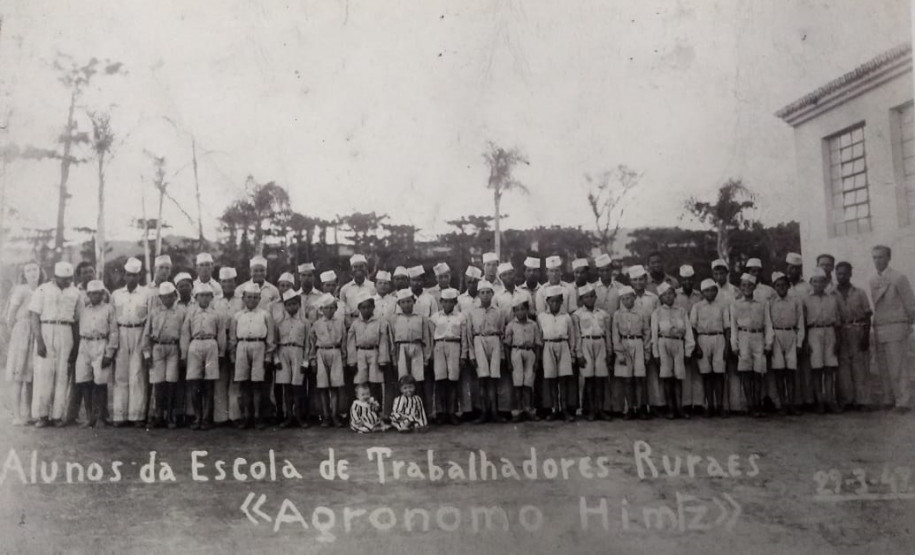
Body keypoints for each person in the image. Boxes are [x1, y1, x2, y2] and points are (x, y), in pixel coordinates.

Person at [30, 261, 83, 427]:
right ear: (55, 277)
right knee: (44, 374)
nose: (66, 282)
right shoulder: (43, 290)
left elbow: (77, 321)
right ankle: (42, 415)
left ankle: (57, 416)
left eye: (69, 278)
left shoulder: (76, 293)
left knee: (62, 375)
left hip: (66, 331)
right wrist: (39, 341)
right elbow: (34, 317)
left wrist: (75, 345)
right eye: (63, 279)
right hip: (46, 329)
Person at [869, 245, 915, 413]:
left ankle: (903, 401)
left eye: (880, 257)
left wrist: (907, 326)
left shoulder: (898, 278)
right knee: (884, 367)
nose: (877, 261)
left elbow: (910, 305)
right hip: (880, 327)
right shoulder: (873, 280)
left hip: (896, 326)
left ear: (888, 258)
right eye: (874, 257)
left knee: (898, 366)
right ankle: (888, 398)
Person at [67, 280, 117, 428]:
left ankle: (102, 416)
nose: (96, 296)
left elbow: (114, 332)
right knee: (84, 381)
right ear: (88, 295)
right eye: (92, 293)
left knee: (100, 382)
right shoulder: (83, 310)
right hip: (84, 345)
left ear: (103, 294)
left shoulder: (109, 309)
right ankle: (90, 417)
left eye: (99, 293)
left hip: (101, 344)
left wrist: (109, 353)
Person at [229, 283, 276, 429]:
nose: (252, 300)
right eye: (249, 297)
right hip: (242, 347)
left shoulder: (265, 315)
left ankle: (257, 416)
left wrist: (268, 356)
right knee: (244, 385)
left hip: (259, 347)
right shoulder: (237, 316)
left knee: (257, 384)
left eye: (255, 297)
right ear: (243, 298)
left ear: (259, 298)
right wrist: (232, 355)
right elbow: (232, 338)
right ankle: (246, 416)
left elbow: (270, 338)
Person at [110, 257, 149, 428]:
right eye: (128, 275)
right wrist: (113, 343)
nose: (131, 278)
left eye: (135, 275)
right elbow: (112, 321)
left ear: (139, 276)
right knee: (121, 375)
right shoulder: (116, 295)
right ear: (124, 276)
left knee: (137, 374)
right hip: (121, 332)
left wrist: (146, 344)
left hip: (139, 333)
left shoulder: (147, 294)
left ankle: (137, 415)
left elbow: (149, 321)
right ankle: (120, 415)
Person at [143, 282, 187, 428]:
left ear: (175, 296)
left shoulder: (181, 311)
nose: (168, 300)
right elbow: (147, 334)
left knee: (171, 382)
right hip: (158, 348)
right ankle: (158, 414)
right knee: (158, 382)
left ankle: (170, 415)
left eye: (170, 297)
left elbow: (184, 334)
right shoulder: (154, 312)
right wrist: (147, 354)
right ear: (160, 298)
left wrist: (183, 355)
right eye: (164, 297)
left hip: (173, 348)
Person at [182, 283, 225, 430]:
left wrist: (221, 353)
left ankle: (207, 418)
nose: (205, 298)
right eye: (202, 295)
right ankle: (197, 417)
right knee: (195, 384)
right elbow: (185, 333)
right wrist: (184, 353)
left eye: (208, 295)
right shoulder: (191, 313)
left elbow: (221, 334)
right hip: (195, 345)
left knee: (209, 384)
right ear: (196, 297)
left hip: (211, 345)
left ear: (212, 297)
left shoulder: (217, 314)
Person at [730, 274, 772, 417]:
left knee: (758, 372)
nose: (746, 288)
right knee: (746, 372)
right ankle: (750, 404)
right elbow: (734, 326)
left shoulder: (762, 303)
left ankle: (758, 402)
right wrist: (734, 345)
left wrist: (768, 343)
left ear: (754, 287)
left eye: (749, 285)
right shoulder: (736, 304)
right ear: (740, 287)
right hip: (743, 337)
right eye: (743, 285)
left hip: (758, 337)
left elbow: (768, 323)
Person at [5, 261, 42, 425]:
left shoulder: (42, 289)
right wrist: (15, 332)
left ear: (40, 271)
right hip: (22, 332)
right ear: (24, 274)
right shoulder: (21, 290)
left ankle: (30, 413)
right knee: (19, 375)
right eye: (28, 270)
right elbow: (10, 315)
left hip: (37, 332)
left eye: (35, 269)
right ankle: (17, 415)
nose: (32, 273)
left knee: (32, 375)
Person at [651, 283, 695, 419]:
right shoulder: (657, 313)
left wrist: (688, 351)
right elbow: (654, 335)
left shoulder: (681, 311)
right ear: (660, 297)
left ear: (675, 295)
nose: (668, 296)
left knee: (678, 377)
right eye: (665, 294)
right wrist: (656, 353)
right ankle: (670, 408)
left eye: (670, 293)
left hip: (678, 344)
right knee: (667, 377)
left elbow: (688, 332)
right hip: (663, 343)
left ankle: (679, 408)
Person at [833, 262, 872, 411]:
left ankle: (862, 401)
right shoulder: (831, 293)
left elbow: (868, 315)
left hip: (858, 329)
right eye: (839, 273)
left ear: (850, 274)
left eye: (844, 273)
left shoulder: (859, 292)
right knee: (843, 367)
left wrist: (866, 336)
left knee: (860, 366)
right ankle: (847, 400)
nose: (841, 276)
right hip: (841, 330)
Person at [467, 280, 508, 424]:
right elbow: (469, 335)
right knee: (482, 379)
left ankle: (494, 412)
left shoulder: (498, 311)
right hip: (479, 342)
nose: (485, 296)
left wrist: (502, 353)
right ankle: (484, 412)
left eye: (488, 292)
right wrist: (471, 354)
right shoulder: (472, 312)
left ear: (492, 294)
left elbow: (502, 333)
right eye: (482, 293)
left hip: (495, 342)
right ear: (478, 295)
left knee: (493, 380)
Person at [804, 268, 842, 414]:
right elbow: (804, 323)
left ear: (826, 283)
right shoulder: (806, 299)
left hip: (830, 331)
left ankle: (830, 400)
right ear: (811, 283)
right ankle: (820, 401)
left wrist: (838, 340)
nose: (818, 284)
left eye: (821, 281)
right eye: (815, 281)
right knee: (817, 369)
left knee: (830, 368)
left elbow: (837, 321)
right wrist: (806, 341)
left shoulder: (832, 298)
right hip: (814, 332)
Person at [766, 272, 805, 416]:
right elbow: (768, 323)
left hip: (791, 335)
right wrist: (769, 343)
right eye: (778, 285)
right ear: (774, 287)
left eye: (784, 285)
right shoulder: (770, 303)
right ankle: (782, 403)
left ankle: (792, 403)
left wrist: (799, 343)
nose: (781, 288)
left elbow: (800, 323)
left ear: (789, 286)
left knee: (791, 371)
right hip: (776, 336)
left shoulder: (795, 301)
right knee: (779, 371)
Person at [346, 292, 391, 414]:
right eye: (363, 307)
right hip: (360, 353)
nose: (366, 310)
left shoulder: (380, 322)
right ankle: (360, 412)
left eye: (369, 307)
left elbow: (383, 341)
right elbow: (350, 343)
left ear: (373, 307)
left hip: (375, 353)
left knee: (375, 383)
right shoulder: (355, 324)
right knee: (361, 382)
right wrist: (352, 361)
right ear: (359, 308)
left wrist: (383, 359)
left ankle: (376, 411)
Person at [690, 279, 729, 417]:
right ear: (702, 292)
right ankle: (710, 405)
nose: (710, 293)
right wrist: (697, 346)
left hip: (719, 338)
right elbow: (693, 328)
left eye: (713, 290)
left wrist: (726, 347)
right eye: (707, 290)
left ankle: (720, 405)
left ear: (717, 291)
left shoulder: (722, 306)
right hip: (703, 339)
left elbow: (726, 327)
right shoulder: (697, 307)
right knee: (706, 375)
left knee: (719, 373)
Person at [539, 285, 578, 422]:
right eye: (552, 301)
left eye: (557, 301)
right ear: (547, 302)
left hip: (563, 346)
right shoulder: (542, 317)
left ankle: (565, 409)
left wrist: (572, 353)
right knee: (552, 380)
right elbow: (539, 337)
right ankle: (555, 408)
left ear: (561, 302)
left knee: (563, 379)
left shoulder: (566, 317)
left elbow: (572, 336)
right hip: (548, 346)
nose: (554, 304)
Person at [389, 288, 433, 409]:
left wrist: (426, 358)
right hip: (401, 348)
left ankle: (419, 410)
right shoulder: (394, 319)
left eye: (409, 301)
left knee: (417, 380)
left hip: (417, 348)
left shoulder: (421, 318)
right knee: (403, 380)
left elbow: (426, 339)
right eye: (403, 302)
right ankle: (403, 410)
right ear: (399, 304)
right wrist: (394, 358)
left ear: (413, 302)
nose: (406, 304)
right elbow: (392, 339)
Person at [573, 283, 612, 421]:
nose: (589, 299)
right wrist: (579, 354)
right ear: (581, 299)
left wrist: (609, 351)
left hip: (600, 343)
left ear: (596, 297)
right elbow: (577, 335)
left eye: (591, 296)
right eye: (586, 297)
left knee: (600, 379)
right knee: (589, 379)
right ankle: (589, 409)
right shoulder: (577, 315)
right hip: (585, 344)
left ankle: (600, 409)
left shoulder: (603, 314)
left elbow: (607, 334)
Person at [429, 288, 468, 424]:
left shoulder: (461, 317)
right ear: (441, 302)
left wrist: (463, 355)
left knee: (453, 380)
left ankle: (452, 412)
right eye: (445, 302)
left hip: (454, 346)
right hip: (439, 346)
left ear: (455, 302)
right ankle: (441, 412)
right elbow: (430, 338)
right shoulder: (434, 318)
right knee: (440, 380)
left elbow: (464, 338)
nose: (448, 305)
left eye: (451, 302)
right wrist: (431, 354)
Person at [308, 293, 347, 427]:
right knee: (323, 387)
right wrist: (313, 360)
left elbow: (344, 342)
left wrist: (343, 358)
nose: (329, 311)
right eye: (326, 308)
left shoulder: (340, 322)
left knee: (335, 387)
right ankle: (325, 415)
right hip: (321, 353)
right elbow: (312, 344)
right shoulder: (317, 324)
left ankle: (335, 415)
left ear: (336, 308)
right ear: (321, 310)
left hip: (335, 353)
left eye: (332, 308)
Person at [274, 289, 310, 428]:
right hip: (283, 352)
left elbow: (308, 343)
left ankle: (299, 417)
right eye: (288, 304)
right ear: (284, 306)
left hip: (298, 353)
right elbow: (275, 342)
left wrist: (305, 361)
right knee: (286, 387)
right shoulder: (279, 322)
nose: (291, 307)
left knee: (298, 387)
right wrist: (276, 359)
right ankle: (288, 416)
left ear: (299, 305)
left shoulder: (304, 322)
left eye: (294, 304)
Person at [613, 286, 650, 419]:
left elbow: (647, 333)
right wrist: (619, 353)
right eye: (623, 299)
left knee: (639, 379)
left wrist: (646, 353)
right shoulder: (617, 314)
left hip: (638, 344)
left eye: (629, 298)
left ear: (634, 297)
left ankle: (639, 407)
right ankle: (629, 408)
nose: (626, 301)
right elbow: (615, 335)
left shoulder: (642, 313)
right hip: (624, 345)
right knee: (627, 380)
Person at [629, 264, 663, 412]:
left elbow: (658, 320)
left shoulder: (653, 298)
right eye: (634, 280)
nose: (638, 283)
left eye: (641, 279)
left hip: (651, 338)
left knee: (653, 374)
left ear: (645, 280)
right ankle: (635, 406)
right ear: (631, 282)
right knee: (635, 376)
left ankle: (654, 405)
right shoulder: (627, 298)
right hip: (633, 340)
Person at [213, 267, 244, 425]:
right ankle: (220, 417)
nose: (227, 284)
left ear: (235, 282)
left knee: (235, 379)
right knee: (219, 379)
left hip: (238, 341)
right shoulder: (215, 301)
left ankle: (235, 416)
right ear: (220, 283)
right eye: (224, 282)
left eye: (230, 281)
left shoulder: (242, 301)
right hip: (218, 341)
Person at [504, 296, 541, 422]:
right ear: (514, 312)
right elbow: (507, 345)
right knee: (518, 384)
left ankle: (528, 409)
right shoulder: (511, 325)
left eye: (523, 309)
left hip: (529, 353)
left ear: (527, 310)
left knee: (528, 384)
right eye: (517, 310)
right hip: (516, 353)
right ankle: (519, 411)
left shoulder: (533, 325)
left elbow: (538, 344)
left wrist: (537, 361)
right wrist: (509, 362)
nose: (520, 312)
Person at [674, 264, 703, 414]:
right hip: (681, 337)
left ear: (694, 280)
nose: (687, 283)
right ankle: (685, 403)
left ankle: (698, 403)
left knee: (697, 369)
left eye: (690, 280)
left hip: (697, 336)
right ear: (680, 280)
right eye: (684, 280)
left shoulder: (699, 296)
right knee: (684, 370)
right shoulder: (675, 295)